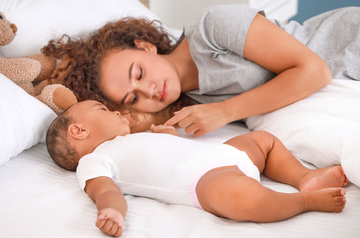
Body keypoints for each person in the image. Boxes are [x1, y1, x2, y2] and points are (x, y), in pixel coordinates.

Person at [42, 5, 360, 136]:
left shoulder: (212, 28)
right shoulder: (186, 104)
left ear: (145, 46)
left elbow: (315, 71)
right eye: (132, 98)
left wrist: (224, 111)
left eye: (138, 74)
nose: (149, 91)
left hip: (348, 43)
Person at [46, 100, 347, 237]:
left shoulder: (136, 137)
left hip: (222, 153)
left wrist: (166, 135)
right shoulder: (94, 160)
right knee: (245, 200)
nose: (115, 110)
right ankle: (304, 201)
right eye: (103, 110)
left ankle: (303, 177)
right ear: (79, 132)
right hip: (205, 180)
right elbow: (106, 190)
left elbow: (167, 150)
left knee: (263, 141)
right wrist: (112, 211)